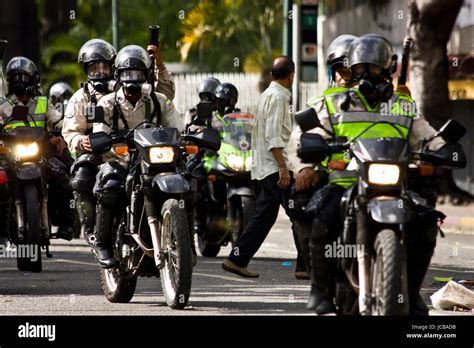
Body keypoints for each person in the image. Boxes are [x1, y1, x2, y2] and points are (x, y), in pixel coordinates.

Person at [300, 34, 446, 315]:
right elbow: (310, 134)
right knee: (321, 215)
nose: (368, 74)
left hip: (394, 184)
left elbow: (427, 136)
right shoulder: (334, 103)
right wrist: (312, 149)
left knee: (426, 222)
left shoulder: (403, 105)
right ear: (351, 69)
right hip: (345, 183)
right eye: (361, 68)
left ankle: (412, 293)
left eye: (375, 68)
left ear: (388, 68)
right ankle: (321, 289)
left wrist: (443, 149)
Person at [91, 45, 183, 268]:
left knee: (187, 183)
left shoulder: (159, 100)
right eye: (127, 74)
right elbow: (99, 134)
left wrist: (187, 139)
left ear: (146, 76)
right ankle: (102, 243)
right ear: (118, 77)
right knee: (111, 186)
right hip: (121, 159)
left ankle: (184, 242)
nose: (133, 80)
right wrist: (107, 144)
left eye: (138, 74)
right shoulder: (106, 103)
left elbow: (176, 128)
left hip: (155, 160)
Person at [221, 56, 298, 278]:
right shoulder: (277, 97)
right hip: (274, 168)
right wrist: (283, 168)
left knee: (264, 217)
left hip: (266, 167)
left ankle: (236, 259)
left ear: (272, 75)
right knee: (299, 214)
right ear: (291, 75)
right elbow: (274, 136)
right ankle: (306, 267)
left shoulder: (268, 94)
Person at [0, 56, 75, 241]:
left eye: (24, 78)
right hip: (10, 154)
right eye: (15, 78)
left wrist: (62, 133)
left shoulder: (43, 102)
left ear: (33, 80)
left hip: (40, 152)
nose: (20, 83)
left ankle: (66, 225)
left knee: (63, 178)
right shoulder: (3, 104)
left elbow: (59, 121)